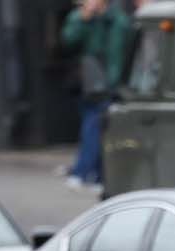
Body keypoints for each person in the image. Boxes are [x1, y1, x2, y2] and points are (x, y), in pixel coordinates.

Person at [60, 0, 133, 191]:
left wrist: (116, 83)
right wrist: (83, 21)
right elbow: (68, 42)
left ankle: (87, 173)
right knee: (93, 127)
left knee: (96, 128)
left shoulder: (117, 20)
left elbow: (123, 50)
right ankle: (93, 174)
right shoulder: (79, 18)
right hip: (87, 82)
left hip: (109, 84)